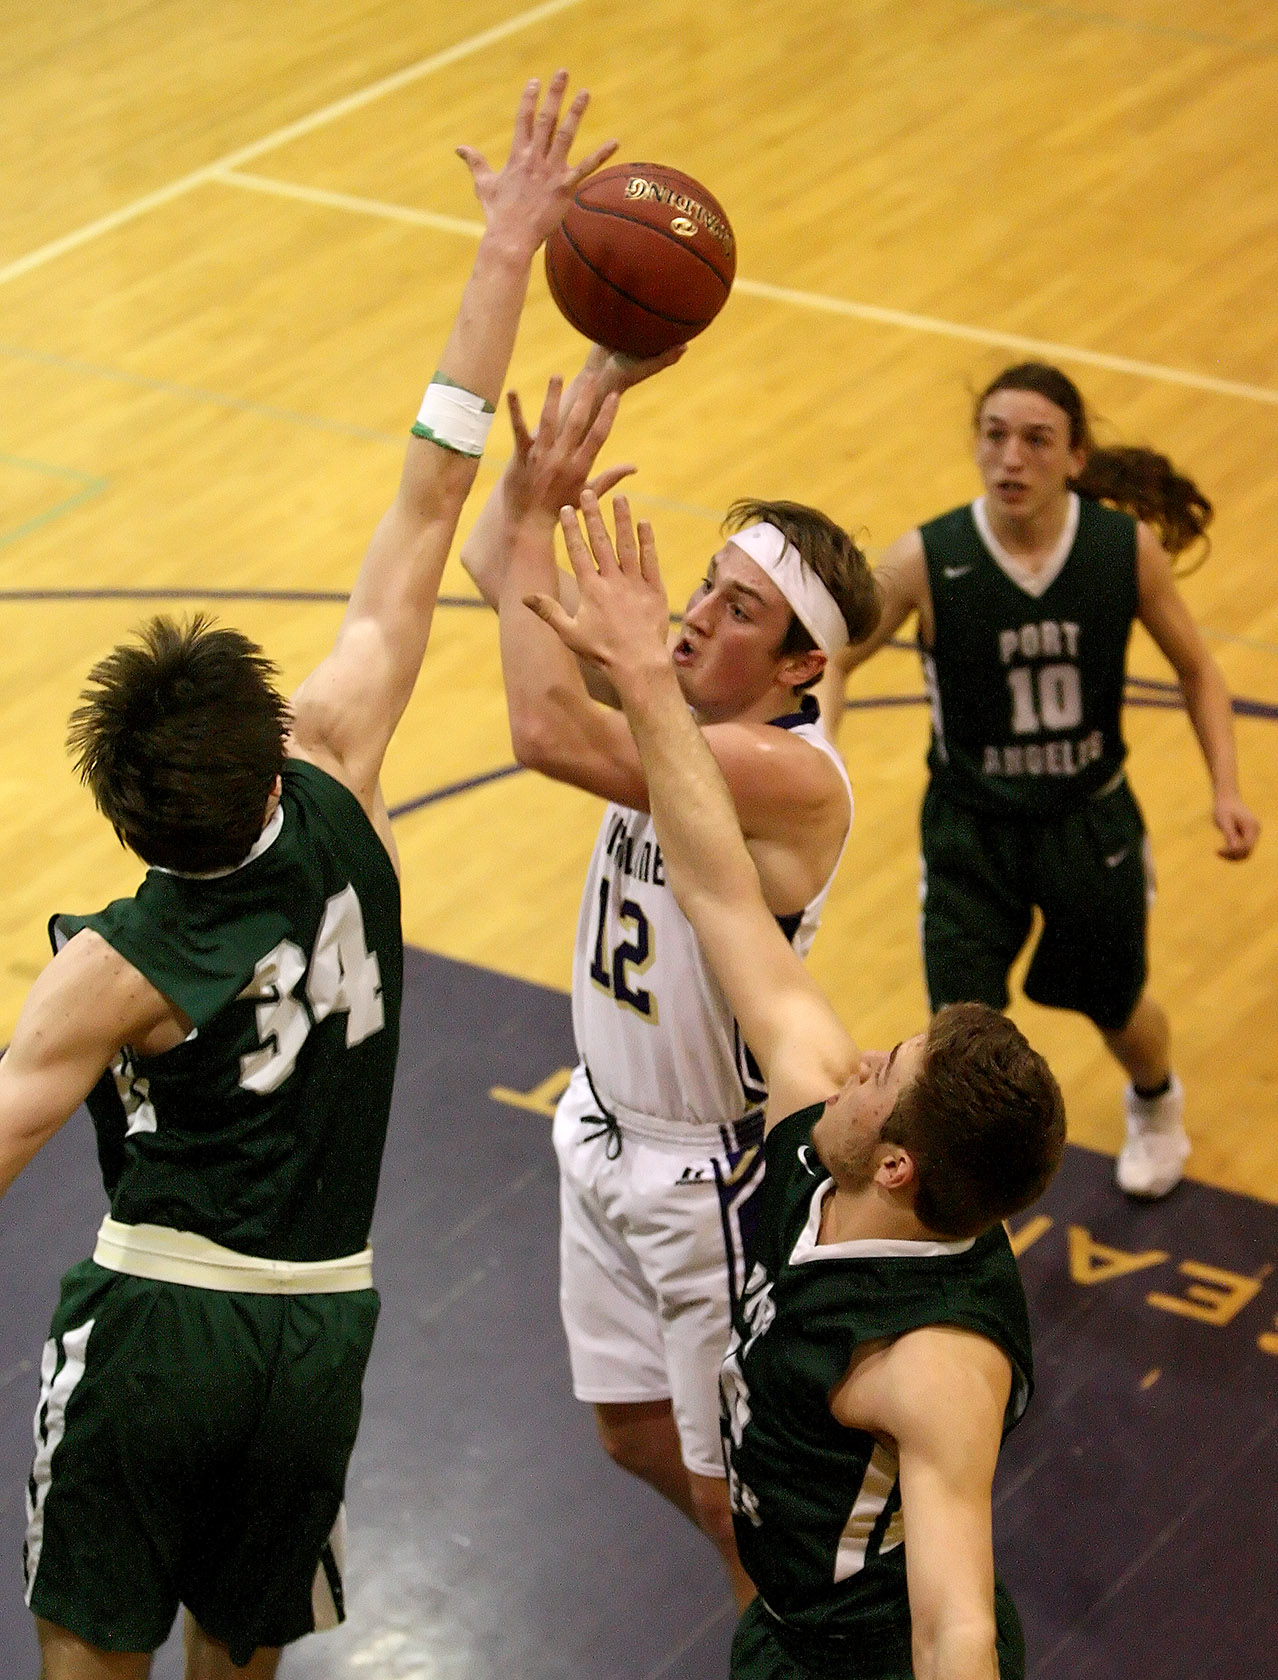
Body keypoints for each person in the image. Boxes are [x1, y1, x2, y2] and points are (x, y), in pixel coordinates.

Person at [0, 73, 615, 1680]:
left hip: (161, 1323)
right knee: (243, 1652)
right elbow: (432, 485)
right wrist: (505, 254)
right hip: (322, 1320)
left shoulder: (117, 963)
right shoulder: (341, 766)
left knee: (87, 1659)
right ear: (270, 748)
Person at [530, 487, 1067, 1680]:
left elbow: (956, 1626)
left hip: (859, 1662)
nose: (861, 1056)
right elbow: (720, 891)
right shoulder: (818, 1104)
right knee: (655, 1440)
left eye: (888, 1074)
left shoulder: (939, 1367)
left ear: (896, 1162)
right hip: (787, 1628)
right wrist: (637, 660)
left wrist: (640, 679)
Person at [460, 370, 881, 1603]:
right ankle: (777, 1592)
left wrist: (581, 607)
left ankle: (798, 1636)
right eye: (702, 582)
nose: (693, 614)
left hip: (712, 1171)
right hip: (597, 1123)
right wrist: (539, 486)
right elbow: (501, 574)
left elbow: (547, 732)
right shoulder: (672, 703)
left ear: (801, 666)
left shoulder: (790, 775)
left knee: (727, 1487)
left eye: (735, 609)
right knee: (629, 1432)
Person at [818, 363, 1260, 1199]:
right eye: (994, 436)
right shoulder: (929, 555)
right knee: (956, 1036)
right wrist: (826, 752)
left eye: (1035, 439)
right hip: (968, 831)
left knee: (1119, 1008)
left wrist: (1226, 790)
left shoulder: (1119, 550)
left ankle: (1158, 1102)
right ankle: (966, 1192)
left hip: (1086, 826)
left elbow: (1200, 671)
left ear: (1076, 458)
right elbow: (837, 653)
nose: (1010, 457)